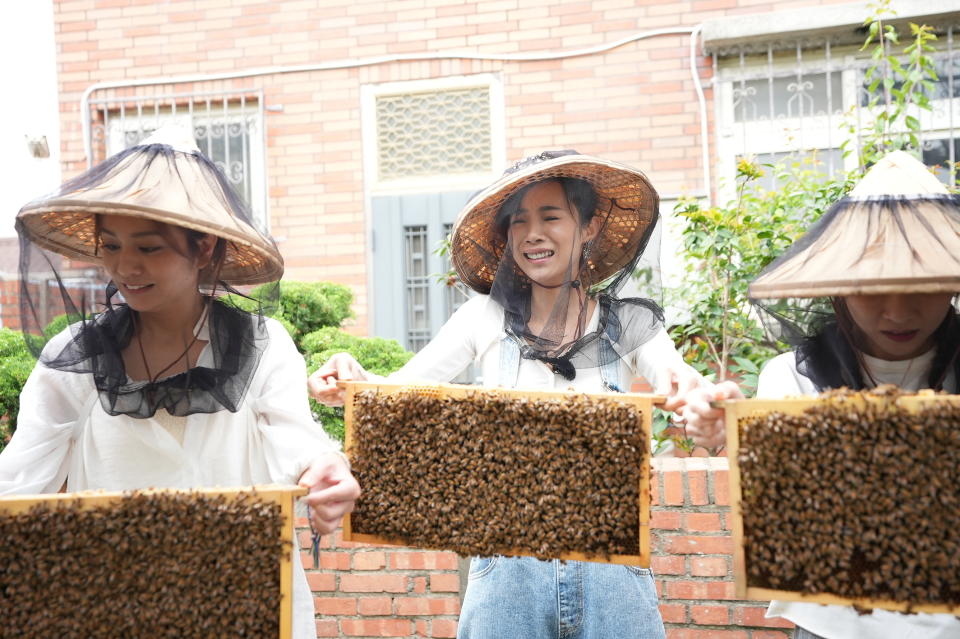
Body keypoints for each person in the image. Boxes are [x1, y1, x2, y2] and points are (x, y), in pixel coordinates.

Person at [310, 150, 706, 639]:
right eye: (519, 222)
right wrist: (345, 381)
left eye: (551, 216)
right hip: (506, 570)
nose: (533, 233)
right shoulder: (483, 319)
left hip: (614, 570)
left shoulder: (630, 324)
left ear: (590, 227)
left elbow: (678, 380)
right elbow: (390, 394)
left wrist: (696, 397)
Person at [0, 125, 360, 639]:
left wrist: (325, 470)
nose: (125, 265)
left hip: (244, 608)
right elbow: (17, 480)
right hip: (112, 612)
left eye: (149, 248)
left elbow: (295, 440)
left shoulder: (263, 345)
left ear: (204, 248)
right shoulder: (73, 358)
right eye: (111, 245)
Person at [682, 150, 960, 639]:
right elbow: (778, 503)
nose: (897, 310)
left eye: (921, 281)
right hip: (828, 627)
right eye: (873, 284)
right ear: (839, 286)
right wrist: (733, 430)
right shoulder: (789, 378)